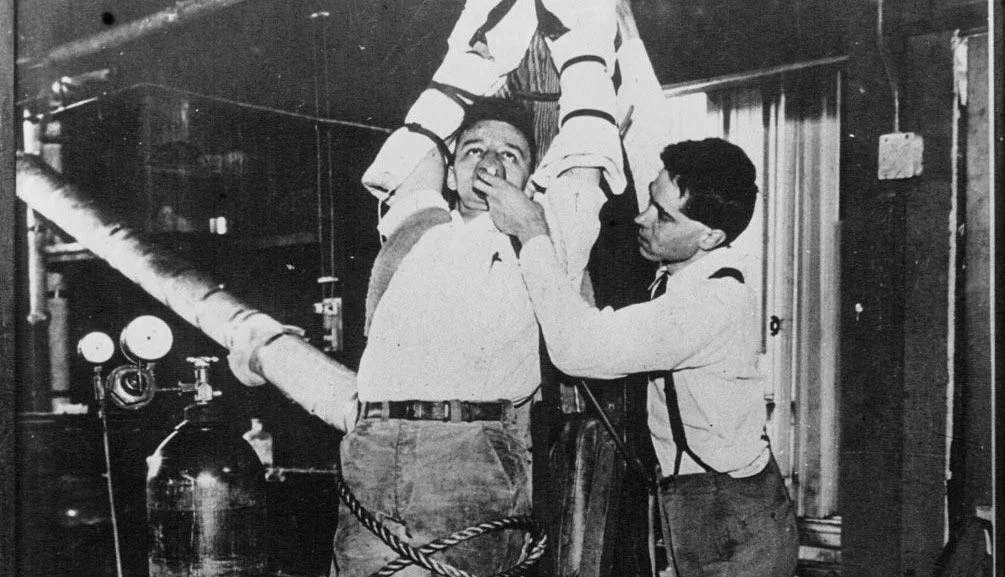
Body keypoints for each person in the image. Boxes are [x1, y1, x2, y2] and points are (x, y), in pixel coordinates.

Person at [479, 137, 800, 577]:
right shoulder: (682, 274)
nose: (642, 218)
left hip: (731, 513)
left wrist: (533, 230)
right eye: (651, 199)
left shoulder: (711, 303)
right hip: (695, 496)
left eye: (664, 216)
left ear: (710, 237)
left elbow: (576, 350)